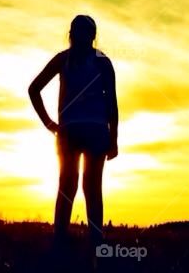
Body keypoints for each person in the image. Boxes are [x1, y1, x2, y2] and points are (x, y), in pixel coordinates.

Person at [28, 14, 119, 247]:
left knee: (68, 186)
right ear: (93, 35)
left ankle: (61, 240)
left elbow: (34, 89)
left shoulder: (65, 59)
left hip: (73, 131)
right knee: (91, 187)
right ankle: (95, 243)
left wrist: (50, 124)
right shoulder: (101, 61)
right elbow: (112, 104)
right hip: (94, 131)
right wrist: (113, 138)